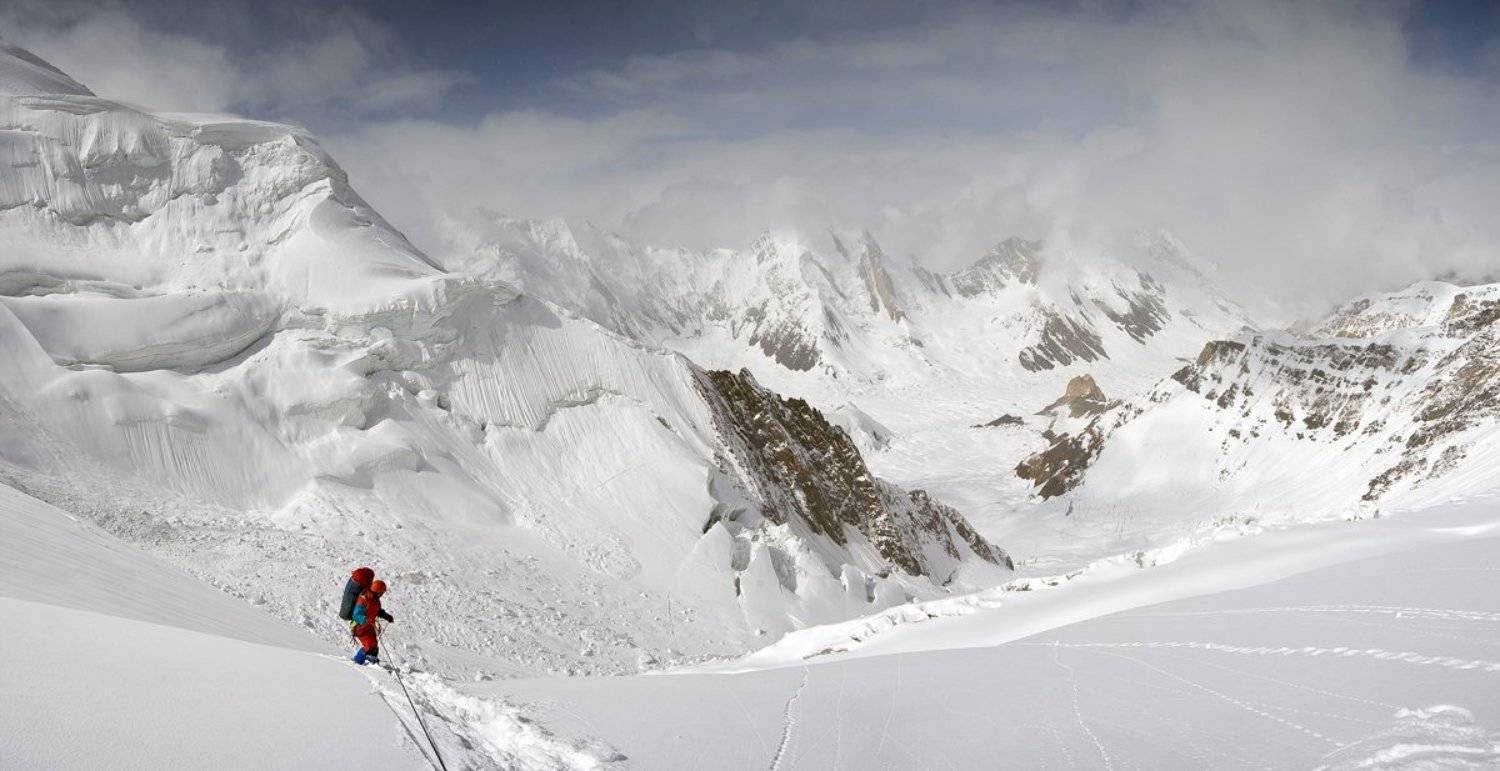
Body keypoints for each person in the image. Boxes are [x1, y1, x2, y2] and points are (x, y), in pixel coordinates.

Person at [351, 579, 395, 665]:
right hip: (360, 627)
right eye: (382, 592)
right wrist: (365, 619)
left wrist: (386, 616)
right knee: (370, 647)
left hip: (369, 626)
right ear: (378, 592)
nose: (382, 594)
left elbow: (376, 610)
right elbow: (356, 614)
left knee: (374, 647)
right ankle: (360, 663)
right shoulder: (363, 599)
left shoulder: (375, 600)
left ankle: (364, 662)